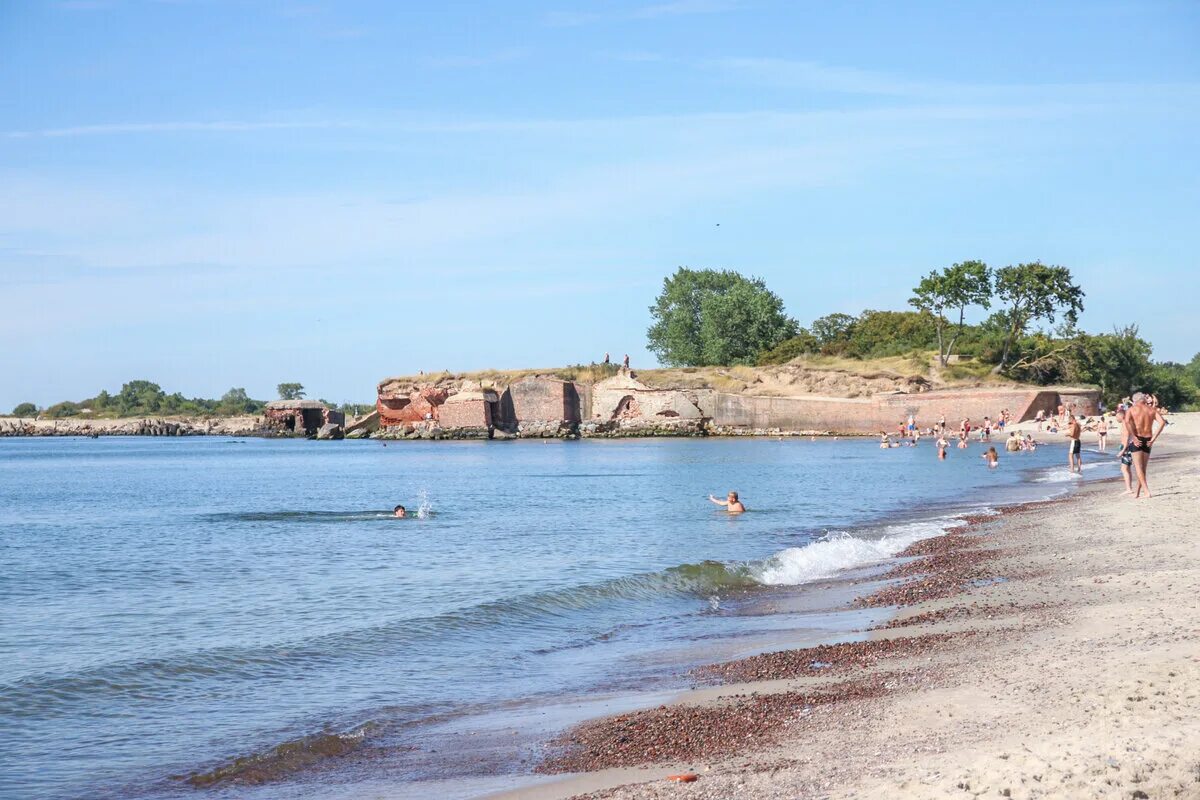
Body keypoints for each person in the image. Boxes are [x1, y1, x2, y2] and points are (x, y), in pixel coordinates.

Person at [1124, 392, 1168, 498]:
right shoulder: (1152, 410)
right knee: (1143, 468)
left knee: (1138, 468)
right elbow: (1162, 423)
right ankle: (1137, 492)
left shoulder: (1131, 409)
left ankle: (1146, 491)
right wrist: (1153, 439)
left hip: (1138, 438)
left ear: (1135, 400)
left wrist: (1133, 437)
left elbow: (1126, 422)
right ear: (1143, 399)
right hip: (1148, 439)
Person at [1115, 409, 1135, 495]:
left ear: (1121, 416)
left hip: (1127, 448)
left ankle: (1129, 489)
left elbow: (1126, 438)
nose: (1116, 418)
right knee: (1127, 468)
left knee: (1124, 469)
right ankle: (1129, 488)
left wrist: (1122, 451)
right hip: (1128, 447)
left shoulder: (1125, 424)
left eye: (1117, 416)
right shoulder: (1126, 423)